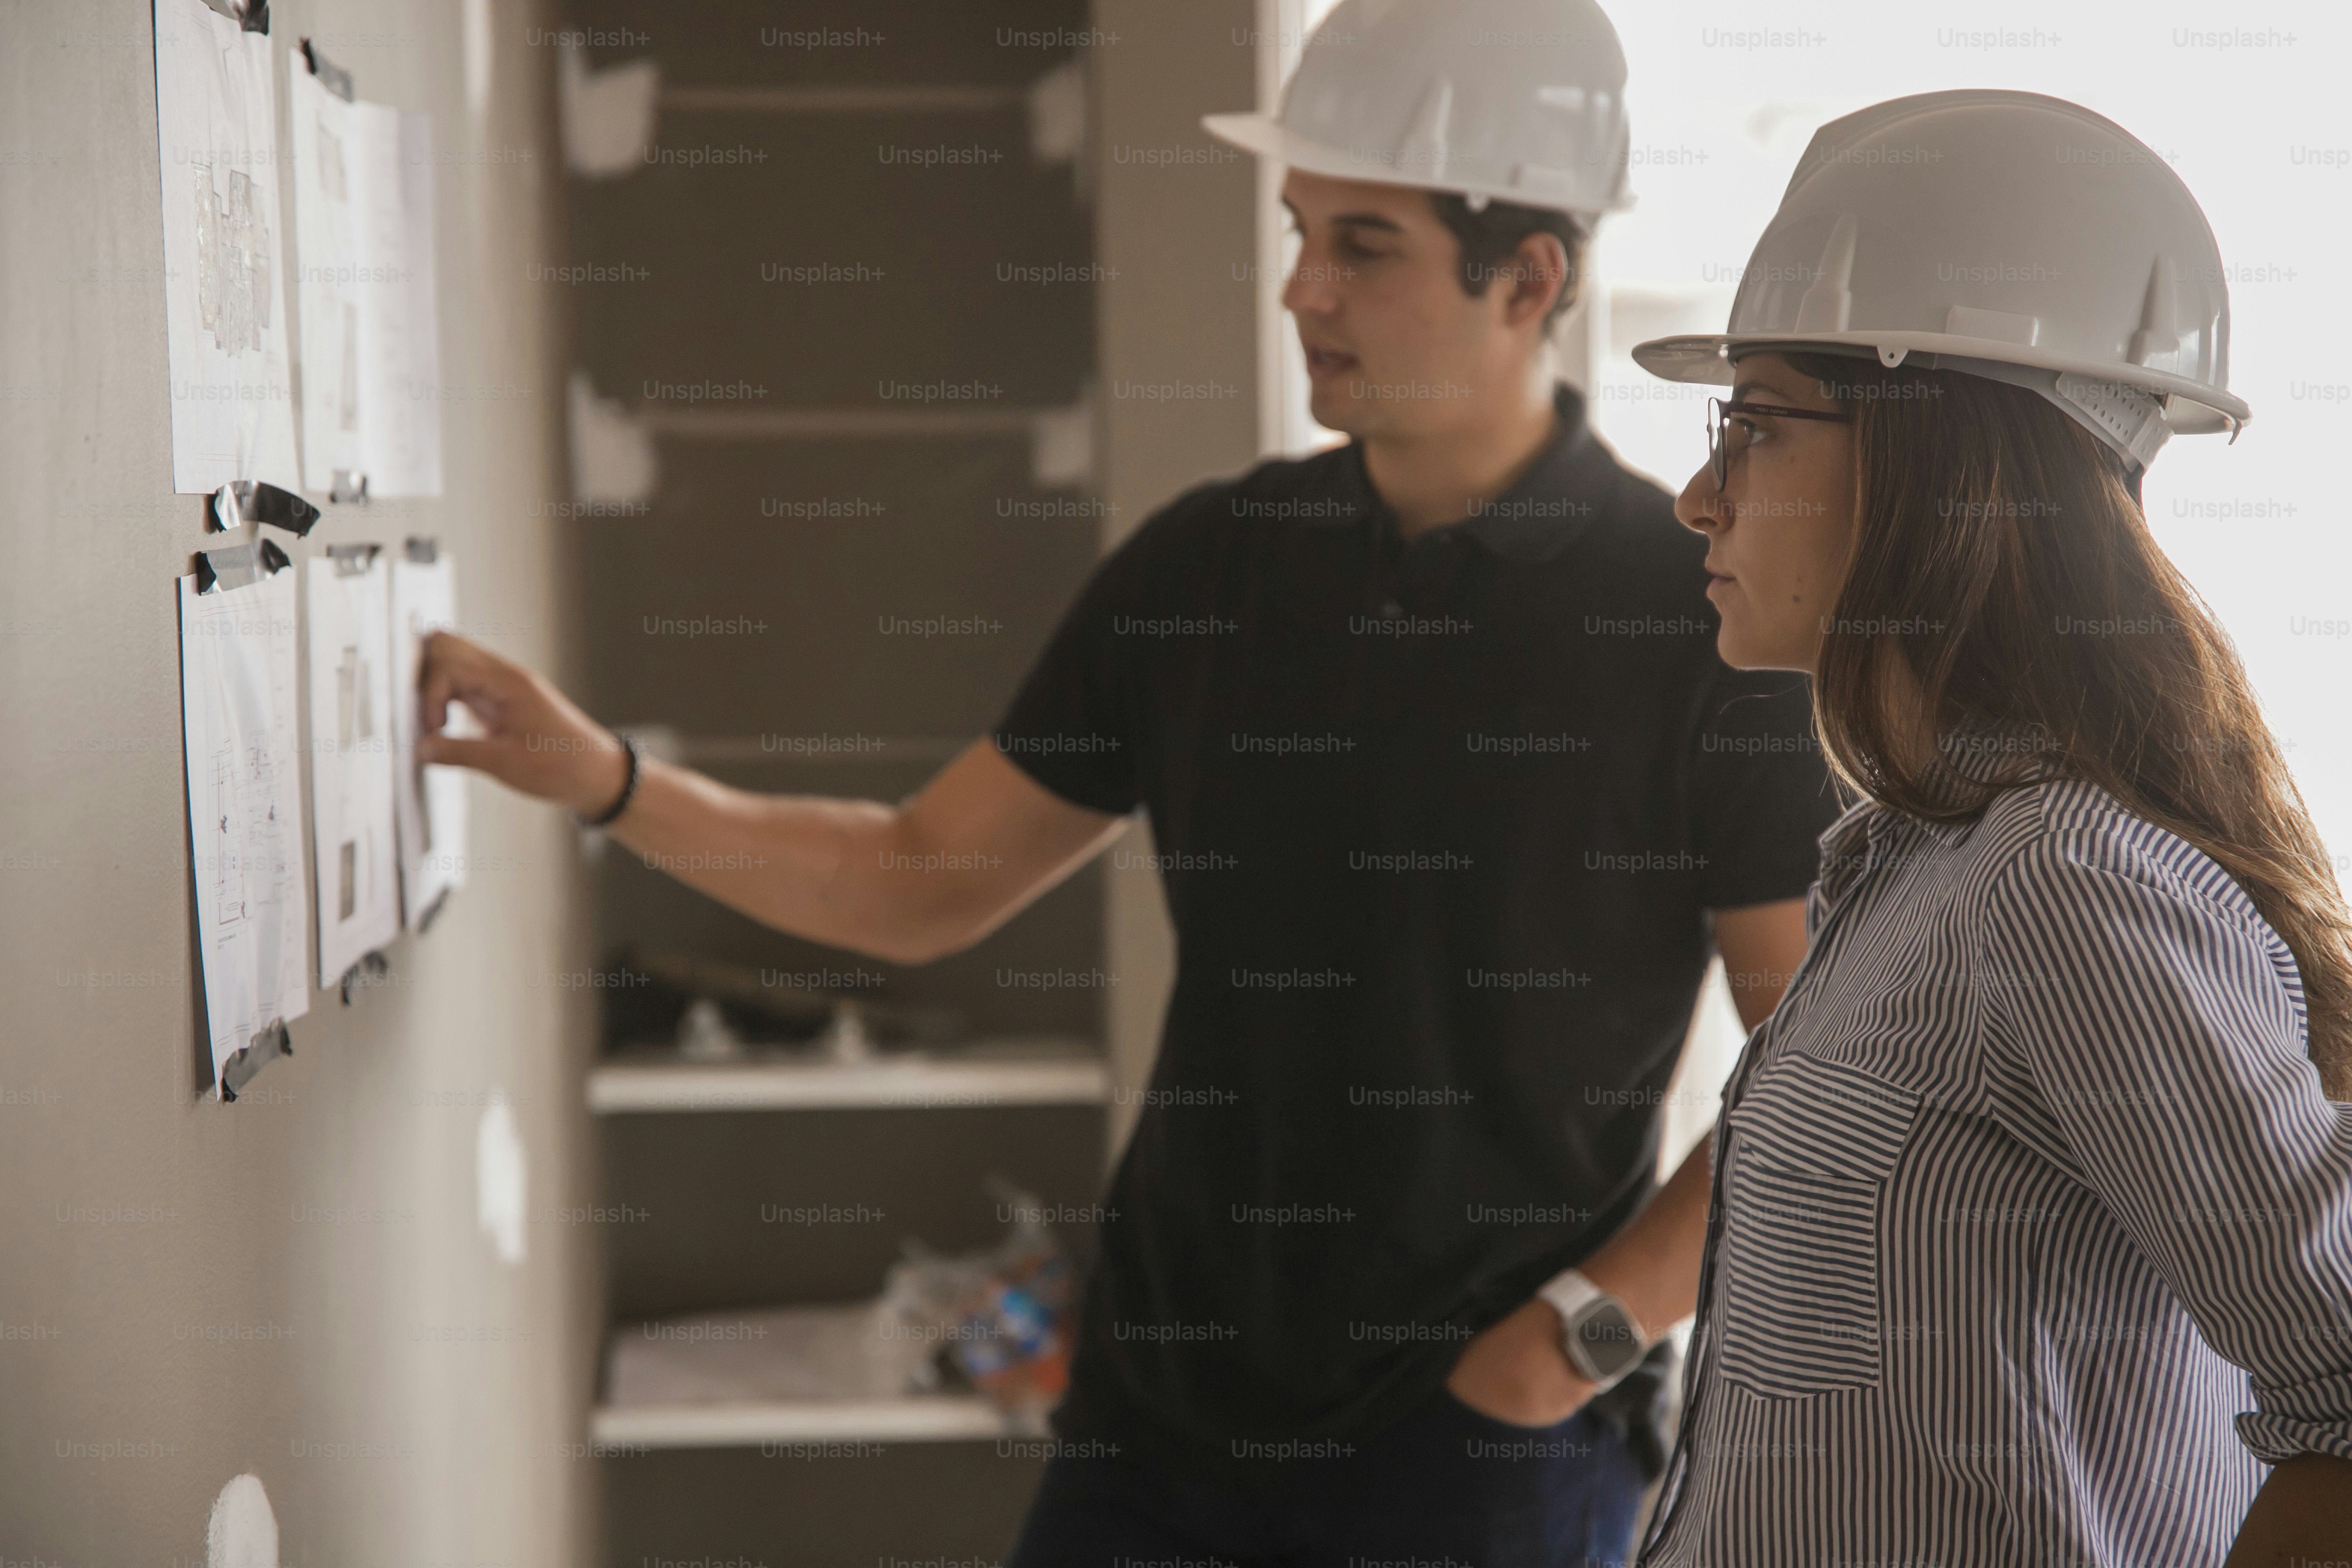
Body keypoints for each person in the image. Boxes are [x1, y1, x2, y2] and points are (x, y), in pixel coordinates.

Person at [420, 1, 1837, 1560]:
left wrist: (1573, 1336)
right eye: (1300, 232)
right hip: (1159, 1420)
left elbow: (1816, 1074)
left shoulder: (1693, 620)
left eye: (1364, 246)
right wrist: (604, 775)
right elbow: (921, 875)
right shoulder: (1212, 564)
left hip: (1477, 1454)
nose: (1303, 288)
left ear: (1532, 275)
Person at [1628, 89, 2352, 1565]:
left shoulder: (2063, 883)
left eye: (1754, 429)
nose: (1700, 496)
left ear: (1939, 462)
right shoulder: (1902, 869)